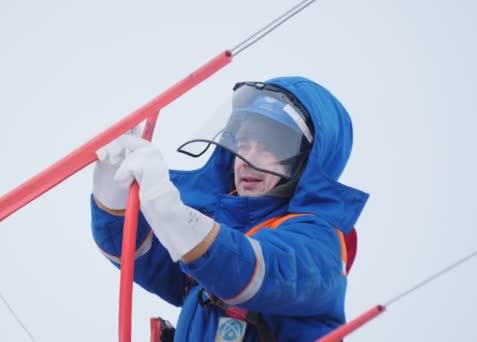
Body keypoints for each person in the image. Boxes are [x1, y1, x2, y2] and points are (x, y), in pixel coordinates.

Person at [90, 76, 369, 341]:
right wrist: (113, 196)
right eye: (242, 143)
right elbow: (142, 256)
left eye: (271, 148)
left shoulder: (320, 246)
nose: (248, 159)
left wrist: (171, 212)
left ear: (306, 163)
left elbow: (252, 268)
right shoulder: (221, 230)